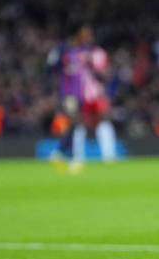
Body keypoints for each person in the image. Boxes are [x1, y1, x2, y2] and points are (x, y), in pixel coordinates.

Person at [48, 24, 117, 173]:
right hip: (72, 95)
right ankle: (66, 154)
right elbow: (56, 69)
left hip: (86, 95)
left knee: (82, 123)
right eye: (83, 35)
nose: (86, 38)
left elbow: (103, 75)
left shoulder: (90, 54)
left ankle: (66, 155)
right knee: (77, 122)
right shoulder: (69, 54)